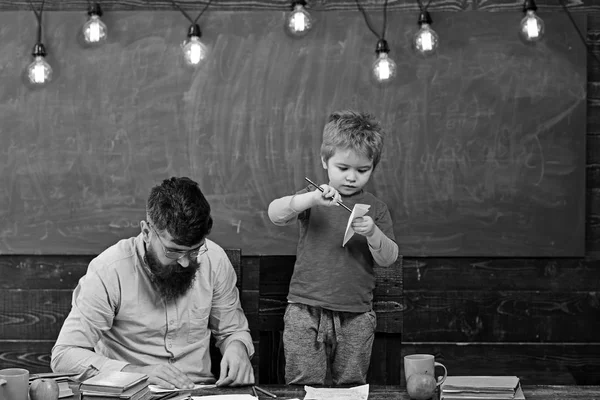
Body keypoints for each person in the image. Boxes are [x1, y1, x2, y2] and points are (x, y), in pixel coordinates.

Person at [51, 177, 254, 389]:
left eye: (195, 250)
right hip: (132, 392)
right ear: (147, 232)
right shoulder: (109, 270)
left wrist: (236, 347)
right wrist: (138, 374)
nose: (185, 262)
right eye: (173, 251)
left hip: (199, 392)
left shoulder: (215, 259)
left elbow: (233, 331)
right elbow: (64, 356)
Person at [268, 110, 399, 386]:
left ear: (373, 167)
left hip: (357, 315)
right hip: (305, 310)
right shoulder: (314, 199)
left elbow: (389, 258)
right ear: (324, 161)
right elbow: (275, 214)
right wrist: (311, 199)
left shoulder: (376, 209)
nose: (352, 177)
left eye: (363, 170)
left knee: (351, 385)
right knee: (303, 384)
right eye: (343, 168)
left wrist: (373, 232)